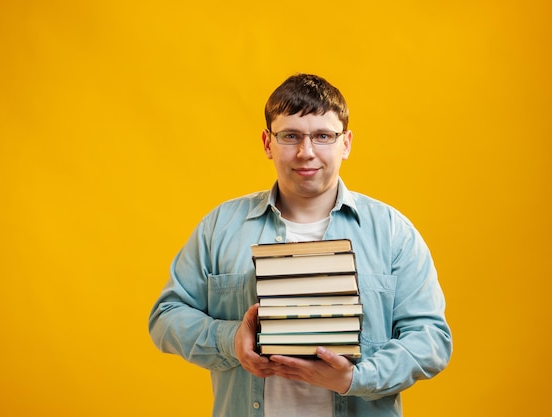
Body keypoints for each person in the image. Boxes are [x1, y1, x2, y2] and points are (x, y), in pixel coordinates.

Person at [148, 73, 452, 417]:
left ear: (346, 143)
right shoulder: (220, 227)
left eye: (323, 136)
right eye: (290, 136)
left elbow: (430, 340)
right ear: (267, 143)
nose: (306, 153)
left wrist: (354, 378)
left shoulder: (393, 232)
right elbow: (166, 317)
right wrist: (231, 339)